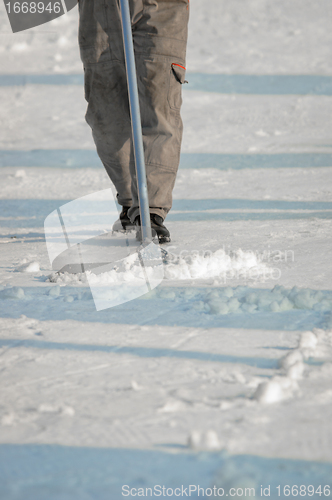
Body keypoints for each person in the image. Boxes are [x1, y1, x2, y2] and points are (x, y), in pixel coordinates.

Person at [78, 0, 189, 243]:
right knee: (105, 112)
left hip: (161, 7)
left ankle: (150, 210)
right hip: (99, 8)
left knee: (159, 104)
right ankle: (131, 200)